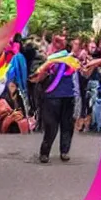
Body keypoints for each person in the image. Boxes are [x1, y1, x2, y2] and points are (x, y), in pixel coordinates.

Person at [32, 35, 78, 163]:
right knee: (51, 126)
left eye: (62, 40)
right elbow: (36, 77)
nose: (59, 43)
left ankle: (64, 151)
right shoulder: (46, 57)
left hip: (68, 95)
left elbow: (85, 73)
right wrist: (46, 68)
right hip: (52, 96)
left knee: (67, 125)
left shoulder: (72, 59)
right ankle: (44, 152)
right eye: (56, 40)